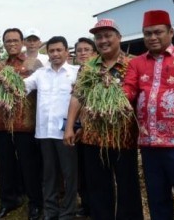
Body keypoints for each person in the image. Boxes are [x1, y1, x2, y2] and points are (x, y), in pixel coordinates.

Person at [64, 19, 143, 220]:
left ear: (119, 37)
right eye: (99, 37)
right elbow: (77, 96)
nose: (103, 40)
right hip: (93, 137)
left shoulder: (134, 63)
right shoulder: (88, 67)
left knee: (127, 186)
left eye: (108, 35)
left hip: (123, 136)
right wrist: (70, 127)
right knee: (97, 187)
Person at [123, 10, 174, 219]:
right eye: (147, 33)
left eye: (158, 32)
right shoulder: (136, 63)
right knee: (157, 201)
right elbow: (129, 88)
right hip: (149, 145)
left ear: (171, 31)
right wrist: (116, 99)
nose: (152, 37)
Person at [25, 36, 79, 219]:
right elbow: (23, 86)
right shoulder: (41, 74)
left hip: (66, 132)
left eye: (59, 50)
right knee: (49, 174)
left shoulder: (76, 72)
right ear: (47, 53)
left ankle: (68, 211)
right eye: (51, 51)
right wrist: (5, 79)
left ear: (66, 51)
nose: (55, 54)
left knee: (69, 173)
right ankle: (50, 210)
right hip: (44, 132)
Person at [0, 28, 44, 220]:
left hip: (25, 122)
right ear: (4, 44)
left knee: (29, 165)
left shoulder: (33, 63)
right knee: (4, 164)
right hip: (3, 122)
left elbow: (41, 90)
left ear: (22, 42)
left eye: (15, 40)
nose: (11, 43)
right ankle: (8, 200)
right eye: (8, 41)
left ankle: (35, 204)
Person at [72, 37, 97, 218]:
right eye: (79, 50)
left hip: (93, 128)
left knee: (94, 169)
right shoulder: (74, 72)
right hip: (76, 127)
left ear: (94, 53)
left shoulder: (97, 71)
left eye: (86, 49)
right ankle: (86, 204)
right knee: (80, 168)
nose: (82, 53)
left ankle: (95, 205)